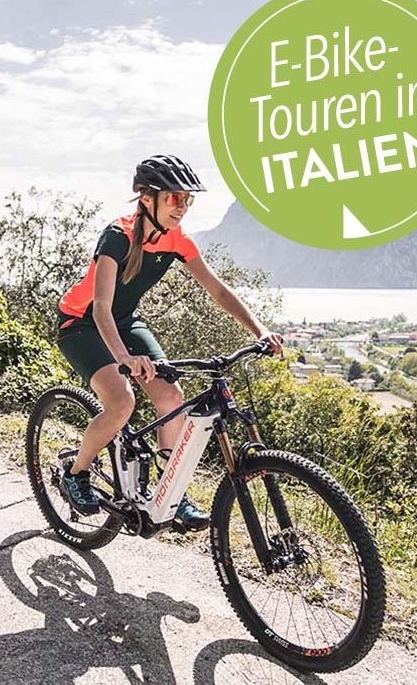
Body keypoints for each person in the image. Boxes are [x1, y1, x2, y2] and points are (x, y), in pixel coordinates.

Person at [55, 155, 284, 530]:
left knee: (171, 396)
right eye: (175, 198)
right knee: (122, 401)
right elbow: (99, 307)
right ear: (148, 199)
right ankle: (76, 472)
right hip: (81, 324)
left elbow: (217, 290)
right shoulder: (118, 235)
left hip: (125, 321)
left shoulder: (176, 240)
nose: (183, 207)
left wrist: (259, 330)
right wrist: (125, 358)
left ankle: (169, 492)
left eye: (188, 200)